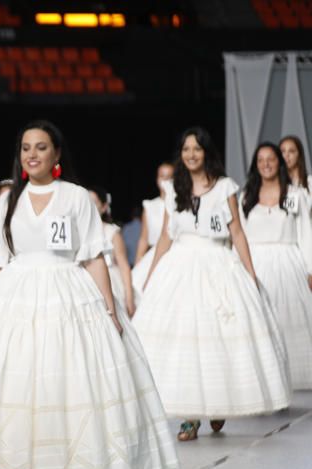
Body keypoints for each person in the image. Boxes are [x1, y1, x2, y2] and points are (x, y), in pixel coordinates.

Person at [0, 120, 178, 469]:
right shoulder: (10, 199)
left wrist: (109, 309)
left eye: (41, 147)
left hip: (68, 297)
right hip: (18, 299)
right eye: (26, 147)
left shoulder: (76, 197)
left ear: (57, 154)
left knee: (68, 392)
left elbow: (94, 255)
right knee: (28, 395)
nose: (32, 154)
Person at [132, 127, 291, 441]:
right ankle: (190, 416)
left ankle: (216, 404)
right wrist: (151, 273)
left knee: (219, 338)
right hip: (181, 266)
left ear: (207, 153)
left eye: (197, 149)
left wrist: (250, 273)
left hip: (218, 264)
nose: (191, 154)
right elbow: (166, 235)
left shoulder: (224, 187)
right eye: (186, 149)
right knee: (185, 341)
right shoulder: (173, 188)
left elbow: (237, 233)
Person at [238, 142, 312, 389]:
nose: (266, 164)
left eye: (271, 159)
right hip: (255, 265)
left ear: (279, 162)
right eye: (260, 160)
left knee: (289, 317)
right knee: (258, 322)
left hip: (288, 263)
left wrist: (311, 269)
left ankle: (291, 377)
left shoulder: (295, 195)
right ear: (255, 165)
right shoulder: (246, 197)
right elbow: (240, 237)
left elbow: (305, 234)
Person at [89, 186, 135, 316]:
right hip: (88, 281)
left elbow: (124, 265)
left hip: (112, 281)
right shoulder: (78, 232)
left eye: (93, 203)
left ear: (103, 207)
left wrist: (129, 297)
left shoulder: (112, 232)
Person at [131, 162, 175, 298]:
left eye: (169, 176)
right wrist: (138, 264)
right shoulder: (150, 206)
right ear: (157, 179)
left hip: (175, 255)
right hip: (153, 256)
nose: (165, 180)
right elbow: (144, 238)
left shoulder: (180, 204)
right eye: (162, 176)